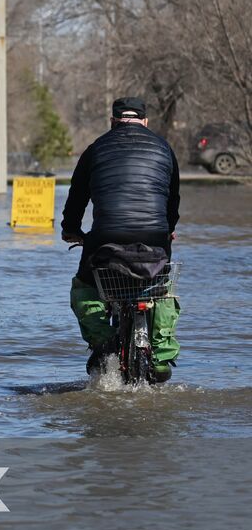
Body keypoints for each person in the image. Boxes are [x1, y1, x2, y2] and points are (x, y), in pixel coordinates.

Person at [60, 97, 181, 382]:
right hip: (155, 240)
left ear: (113, 122)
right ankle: (162, 356)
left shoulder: (95, 149)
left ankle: (104, 344)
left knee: (85, 287)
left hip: (106, 240)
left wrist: (71, 229)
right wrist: (169, 229)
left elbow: (77, 197)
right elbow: (172, 200)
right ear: (145, 122)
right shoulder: (164, 148)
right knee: (161, 287)